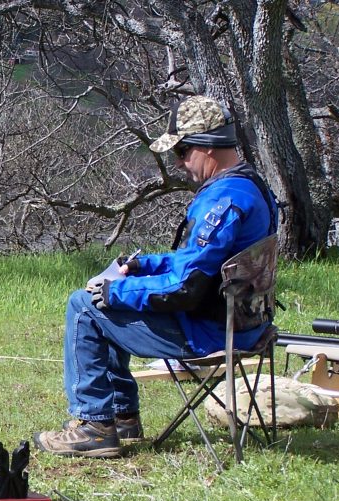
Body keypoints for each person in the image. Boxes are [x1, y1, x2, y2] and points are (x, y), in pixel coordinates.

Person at [34, 95, 278, 458]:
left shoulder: (223, 200)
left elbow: (184, 288)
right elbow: (199, 266)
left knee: (86, 306)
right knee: (107, 301)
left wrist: (116, 291)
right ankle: (122, 417)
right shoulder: (251, 186)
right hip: (242, 323)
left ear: (207, 147)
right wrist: (145, 266)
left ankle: (95, 426)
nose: (179, 164)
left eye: (182, 152)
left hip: (210, 334)